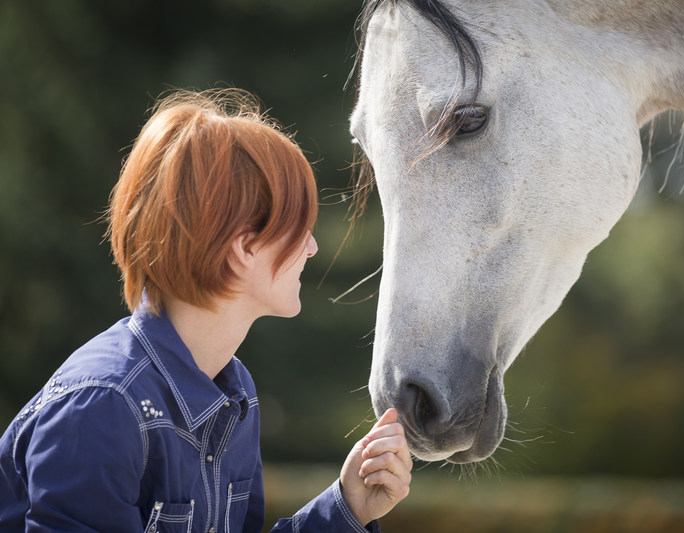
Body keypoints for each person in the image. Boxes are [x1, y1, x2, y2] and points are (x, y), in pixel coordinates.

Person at [0, 88, 412, 532]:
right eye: (298, 227)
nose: (312, 248)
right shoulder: (102, 408)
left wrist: (348, 506)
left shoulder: (235, 393)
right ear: (243, 248)